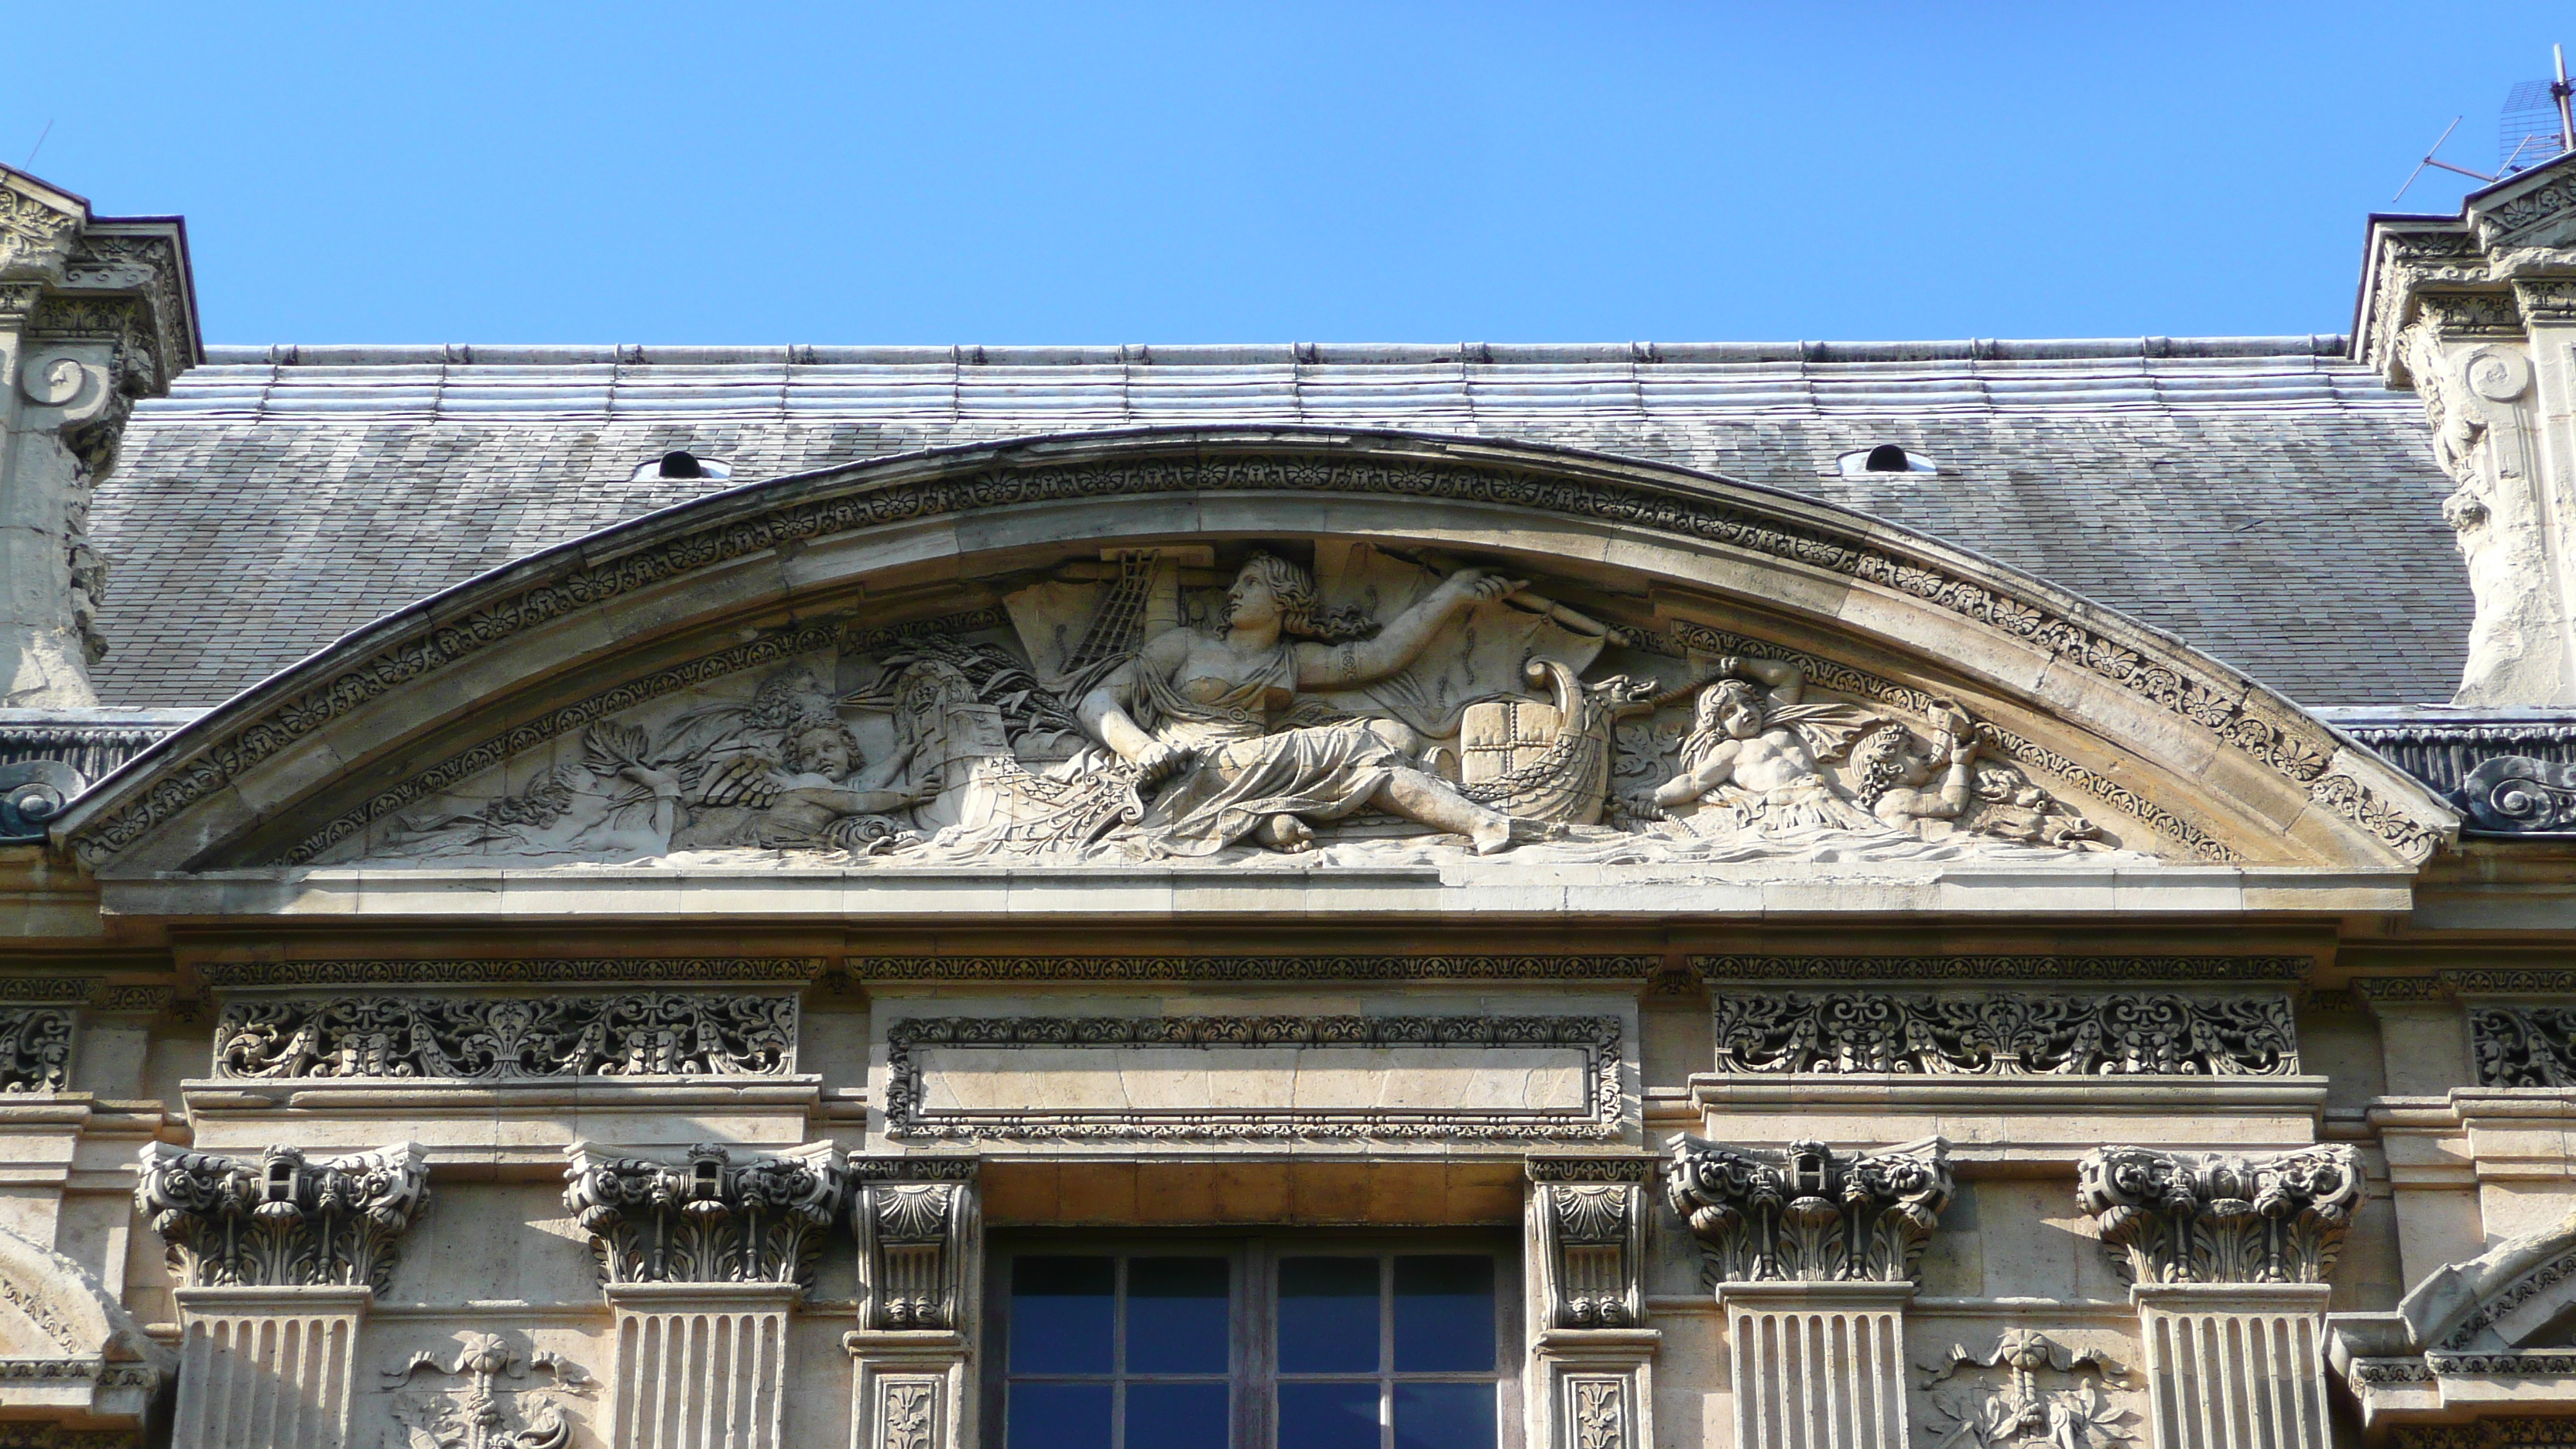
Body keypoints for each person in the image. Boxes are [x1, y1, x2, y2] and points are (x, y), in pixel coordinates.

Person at [1074, 550, 1539, 856]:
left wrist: (1452, 595)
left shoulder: (1290, 662)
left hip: (1250, 767)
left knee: (1382, 738)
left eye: (1251, 583)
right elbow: (1097, 700)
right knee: (1357, 749)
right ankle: (1480, 821)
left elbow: (1382, 656)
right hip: (1189, 767)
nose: (1233, 592)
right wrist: (1141, 750)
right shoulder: (1185, 646)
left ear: (1283, 601)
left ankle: (1258, 818)